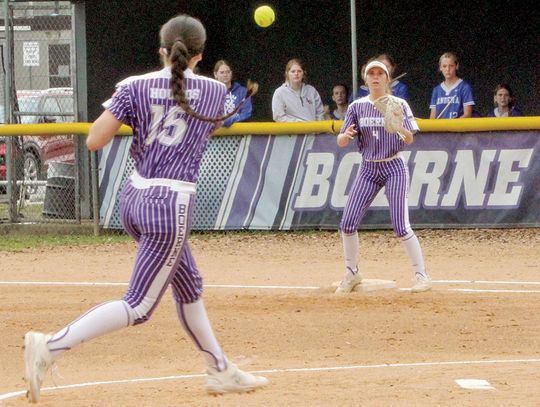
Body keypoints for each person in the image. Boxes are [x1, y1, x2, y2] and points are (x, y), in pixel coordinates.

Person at [23, 14, 268, 403]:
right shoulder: (213, 91)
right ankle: (50, 347)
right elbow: (206, 123)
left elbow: (95, 140)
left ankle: (220, 369)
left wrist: (139, 114)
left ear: (161, 50)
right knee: (138, 306)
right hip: (171, 206)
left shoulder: (133, 86)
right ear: (199, 56)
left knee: (189, 285)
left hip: (134, 198)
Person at [335, 59, 431, 295]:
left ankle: (422, 276)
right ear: (365, 79)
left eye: (380, 73)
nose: (375, 77)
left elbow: (409, 139)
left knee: (400, 225)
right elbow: (341, 140)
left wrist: (398, 125)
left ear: (387, 79)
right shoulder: (357, 106)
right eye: (371, 73)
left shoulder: (399, 104)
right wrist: (346, 136)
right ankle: (352, 272)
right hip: (368, 168)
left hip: (394, 166)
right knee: (347, 223)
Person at [429, 52, 475, 119]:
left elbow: (467, 114)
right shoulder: (436, 90)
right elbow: (433, 116)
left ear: (456, 66)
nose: (447, 69)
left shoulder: (464, 87)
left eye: (451, 66)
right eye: (444, 66)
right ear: (440, 68)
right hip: (440, 129)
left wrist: (452, 126)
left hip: (458, 128)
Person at [213, 59, 253, 126]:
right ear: (215, 74)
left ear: (231, 73)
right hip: (214, 133)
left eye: (228, 72)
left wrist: (227, 121)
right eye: (222, 72)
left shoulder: (243, 92)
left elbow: (246, 113)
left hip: (237, 132)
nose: (225, 75)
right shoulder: (209, 93)